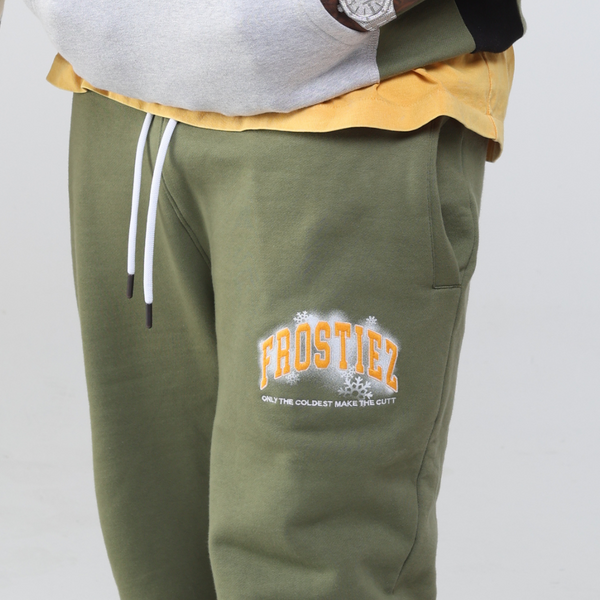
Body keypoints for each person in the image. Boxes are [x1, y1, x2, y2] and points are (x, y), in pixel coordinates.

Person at [5, 1, 525, 598]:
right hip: (118, 97)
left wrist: (352, 8)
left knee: (309, 563)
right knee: (155, 544)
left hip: (347, 104)